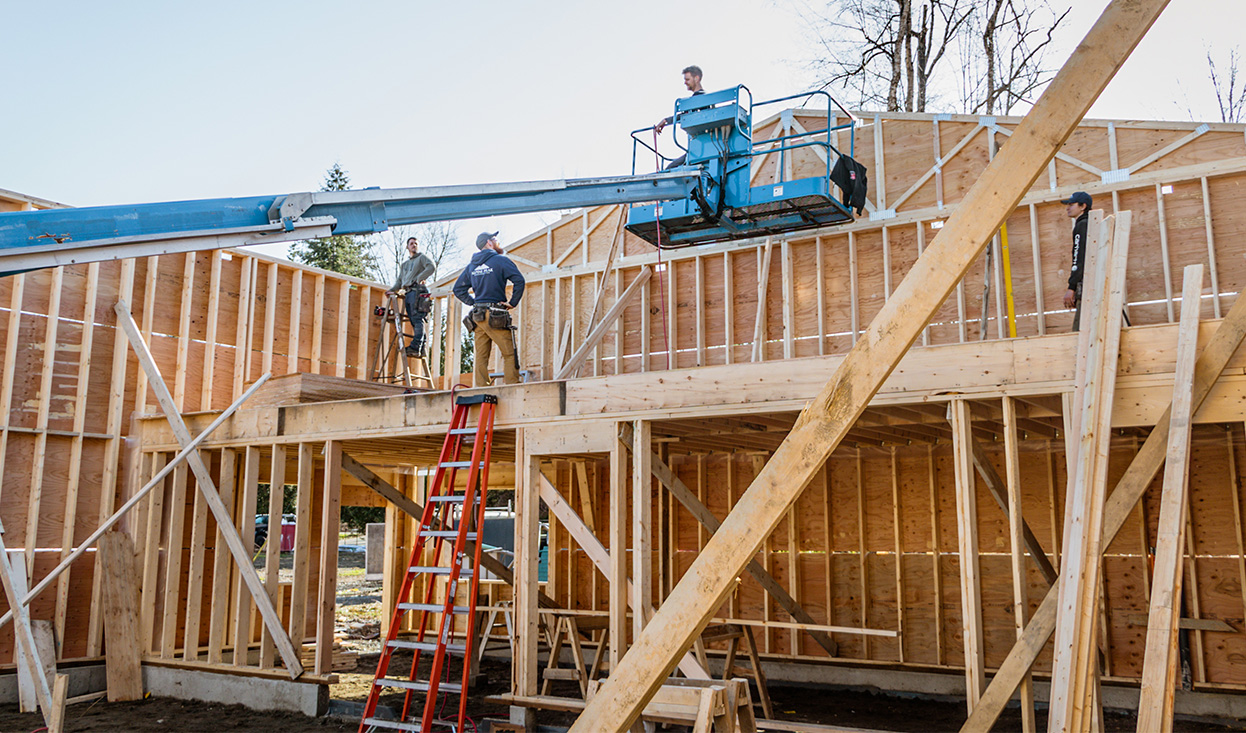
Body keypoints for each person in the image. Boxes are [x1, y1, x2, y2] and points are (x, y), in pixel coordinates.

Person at [453, 231, 526, 386]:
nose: (498, 241)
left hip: (478, 316)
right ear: (489, 242)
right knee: (509, 353)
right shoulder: (500, 260)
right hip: (495, 315)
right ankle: (513, 386)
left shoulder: (472, 265)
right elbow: (519, 280)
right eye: (495, 239)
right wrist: (513, 302)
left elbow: (458, 289)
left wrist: (473, 302)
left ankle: (481, 388)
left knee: (481, 355)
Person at [386, 236, 437, 356]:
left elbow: (432, 266)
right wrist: (392, 290)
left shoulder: (421, 258)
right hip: (408, 293)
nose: (414, 245)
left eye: (416, 243)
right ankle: (421, 349)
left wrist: (420, 278)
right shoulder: (404, 265)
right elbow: (399, 281)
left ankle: (416, 347)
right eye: (411, 243)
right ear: (407, 247)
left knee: (418, 319)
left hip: (418, 291)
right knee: (414, 321)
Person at [653, 65, 705, 169]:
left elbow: (684, 115)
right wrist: (666, 120)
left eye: (687, 79)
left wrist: (666, 121)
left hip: (699, 150)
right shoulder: (703, 99)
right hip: (700, 149)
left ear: (697, 78)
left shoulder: (699, 99)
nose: (685, 82)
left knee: (670, 169)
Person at [1060, 191, 1091, 332]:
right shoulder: (1091, 223)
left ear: (1083, 206)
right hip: (1094, 282)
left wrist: (1071, 287)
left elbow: (1079, 257)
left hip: (1087, 284)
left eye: (1071, 205)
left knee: (1080, 330)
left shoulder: (1082, 225)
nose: (1068, 208)